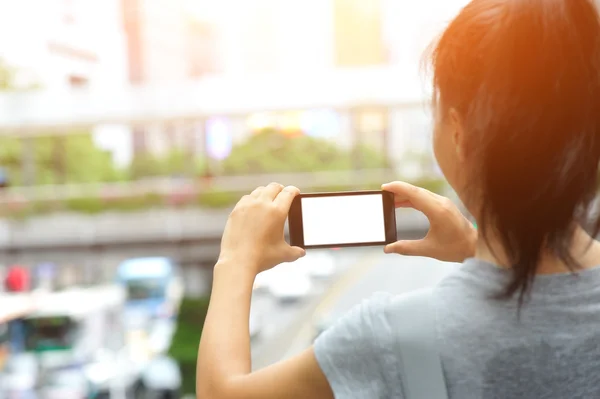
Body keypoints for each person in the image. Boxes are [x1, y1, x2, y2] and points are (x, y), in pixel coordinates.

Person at [196, 0, 600, 397]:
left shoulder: (392, 337)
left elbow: (222, 393)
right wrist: (475, 248)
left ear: (459, 135)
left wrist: (235, 259)